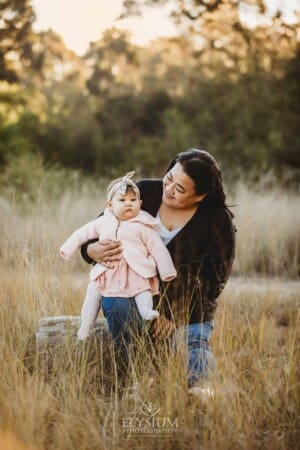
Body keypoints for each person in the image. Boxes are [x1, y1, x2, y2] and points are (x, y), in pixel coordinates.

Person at [81, 149, 236, 391]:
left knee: (192, 343)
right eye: (169, 178)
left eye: (180, 189)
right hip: (131, 291)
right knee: (119, 309)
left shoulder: (217, 220)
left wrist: (175, 314)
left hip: (187, 307)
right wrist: (91, 250)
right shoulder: (144, 191)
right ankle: (131, 382)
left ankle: (202, 394)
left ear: (200, 196)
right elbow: (95, 230)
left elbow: (214, 281)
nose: (169, 189)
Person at [60, 171, 177, 340]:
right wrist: (67, 249)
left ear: (140, 202)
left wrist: (166, 271)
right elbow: (81, 234)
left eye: (133, 200)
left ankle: (146, 313)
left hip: (136, 273)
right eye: (122, 200)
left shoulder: (144, 225)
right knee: (92, 294)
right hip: (107, 272)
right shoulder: (103, 222)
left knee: (143, 293)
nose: (128, 204)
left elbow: (158, 249)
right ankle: (86, 325)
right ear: (109, 204)